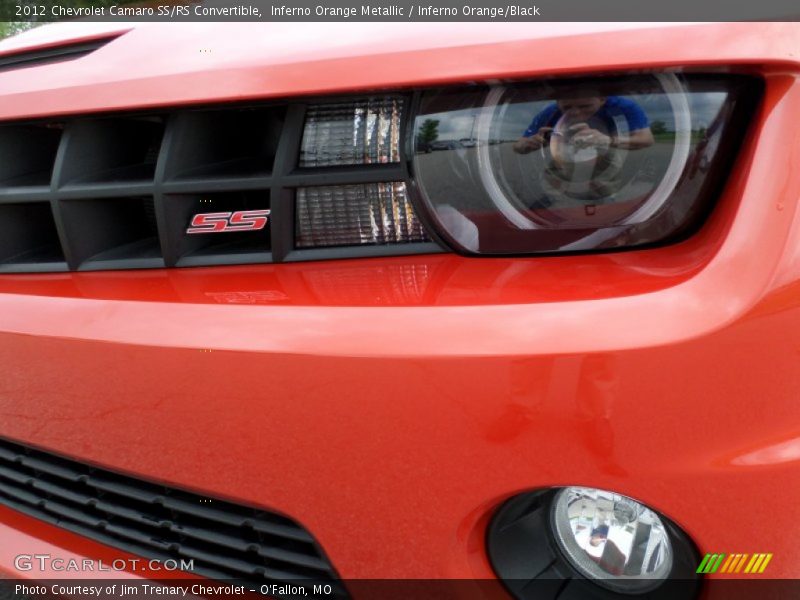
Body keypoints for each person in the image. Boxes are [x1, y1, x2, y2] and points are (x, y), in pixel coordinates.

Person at [513, 95, 654, 155]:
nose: (575, 112)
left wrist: (608, 140)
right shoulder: (551, 111)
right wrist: (530, 143)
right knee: (556, 176)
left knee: (605, 176)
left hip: (606, 146)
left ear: (602, 99)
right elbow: (518, 146)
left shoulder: (623, 106)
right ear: (557, 103)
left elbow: (646, 140)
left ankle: (606, 196)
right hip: (564, 147)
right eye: (567, 107)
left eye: (585, 106)